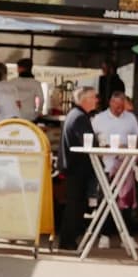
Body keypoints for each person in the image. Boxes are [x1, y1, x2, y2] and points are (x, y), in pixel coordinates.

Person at [56, 86, 99, 251]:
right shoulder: (80, 117)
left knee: (74, 204)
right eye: (93, 97)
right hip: (77, 167)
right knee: (75, 205)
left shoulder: (76, 115)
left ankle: (68, 240)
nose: (96, 100)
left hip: (73, 166)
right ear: (84, 99)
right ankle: (68, 241)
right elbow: (88, 143)